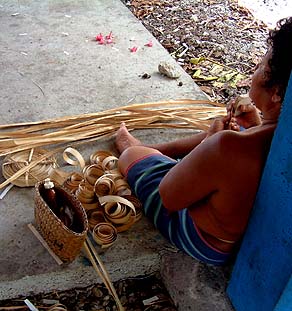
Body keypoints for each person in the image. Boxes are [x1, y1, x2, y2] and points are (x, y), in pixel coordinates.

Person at [115, 17, 292, 265]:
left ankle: (139, 150)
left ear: (275, 94)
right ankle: (154, 151)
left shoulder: (229, 147)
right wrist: (253, 128)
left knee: (130, 157)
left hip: (202, 240)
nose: (257, 69)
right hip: (235, 232)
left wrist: (208, 143)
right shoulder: (279, 139)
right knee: (234, 135)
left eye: (262, 65)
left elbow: (170, 197)